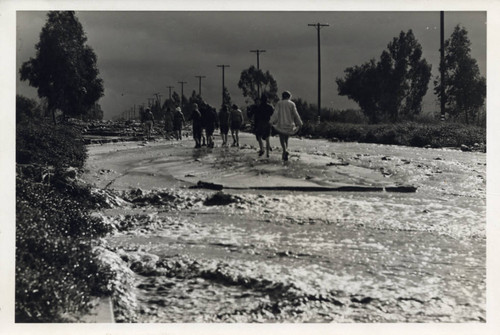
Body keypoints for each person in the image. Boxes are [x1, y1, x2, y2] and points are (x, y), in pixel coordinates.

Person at [270, 91, 303, 161]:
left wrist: (271, 121)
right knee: (286, 138)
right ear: (289, 96)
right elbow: (295, 114)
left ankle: (284, 151)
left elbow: (275, 113)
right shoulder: (292, 104)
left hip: (281, 125)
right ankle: (285, 152)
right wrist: (300, 123)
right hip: (289, 125)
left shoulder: (279, 103)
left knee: (282, 138)